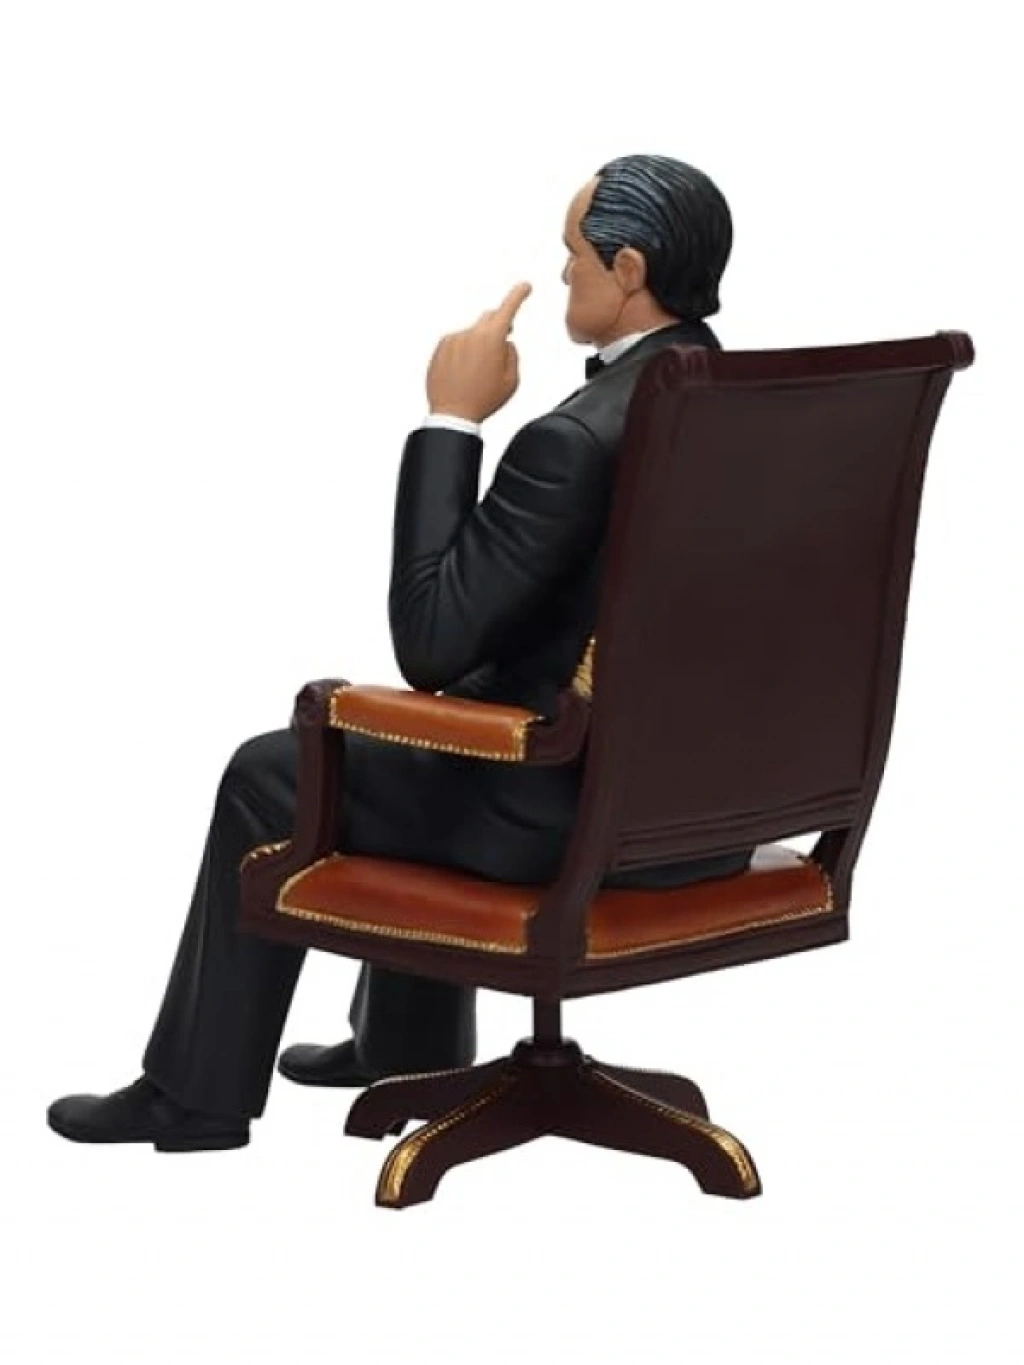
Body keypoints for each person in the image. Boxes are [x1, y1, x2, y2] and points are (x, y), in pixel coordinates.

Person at [47, 153, 754, 1151]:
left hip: (568, 818)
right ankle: (404, 1046)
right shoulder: (742, 403)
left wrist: (451, 418)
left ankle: (194, 1096)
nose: (563, 274)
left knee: (278, 770)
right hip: (703, 816)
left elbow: (429, 638)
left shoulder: (575, 440)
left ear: (628, 270)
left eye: (574, 256)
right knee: (446, 727)